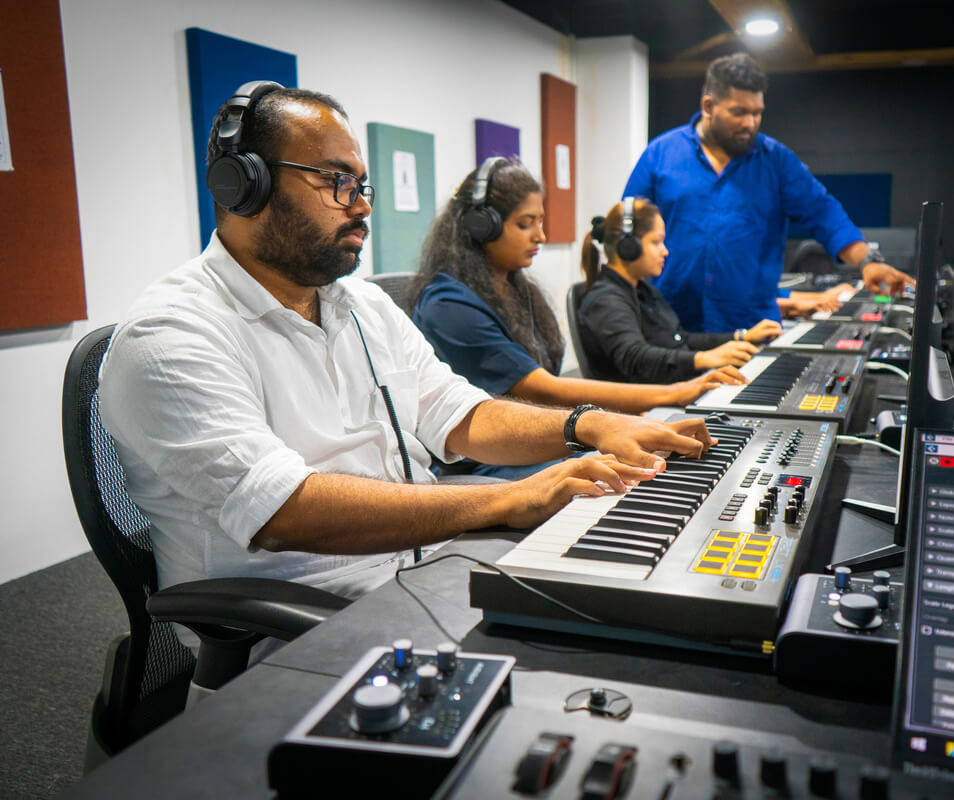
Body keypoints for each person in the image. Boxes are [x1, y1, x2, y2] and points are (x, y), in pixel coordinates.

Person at [98, 83, 714, 619]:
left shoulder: (358, 304)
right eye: (336, 182)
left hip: (421, 572)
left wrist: (588, 426)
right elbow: (285, 509)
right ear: (244, 186)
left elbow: (458, 412)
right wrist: (507, 497)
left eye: (361, 184)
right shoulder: (171, 334)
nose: (363, 204)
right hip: (290, 626)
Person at [407, 158, 745, 424]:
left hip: (537, 431)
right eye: (526, 224)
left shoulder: (513, 290)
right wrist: (674, 393)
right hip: (494, 459)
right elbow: (542, 389)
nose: (540, 236)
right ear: (481, 226)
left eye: (540, 221)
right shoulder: (449, 306)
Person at [624, 53, 916, 333]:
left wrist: (868, 261)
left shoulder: (777, 161)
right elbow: (628, 229)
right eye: (739, 112)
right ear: (709, 106)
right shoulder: (660, 155)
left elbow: (825, 214)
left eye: (757, 113)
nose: (750, 123)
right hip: (670, 324)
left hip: (750, 329)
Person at [577, 197, 784, 383]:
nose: (665, 251)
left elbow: (680, 339)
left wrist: (742, 336)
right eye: (656, 242)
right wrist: (704, 359)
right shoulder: (606, 299)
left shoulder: (641, 291)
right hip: (646, 411)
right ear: (628, 246)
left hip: (673, 389)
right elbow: (635, 359)